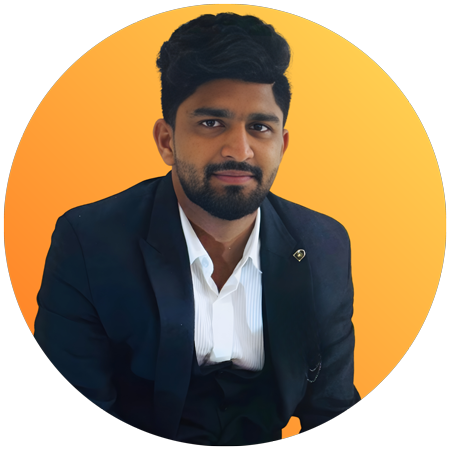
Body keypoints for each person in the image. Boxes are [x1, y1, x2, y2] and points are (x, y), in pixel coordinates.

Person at [34, 12, 360, 445]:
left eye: (259, 127)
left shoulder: (324, 245)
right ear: (167, 141)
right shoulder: (89, 242)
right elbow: (70, 418)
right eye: (211, 123)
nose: (239, 150)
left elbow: (333, 409)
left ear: (281, 144)